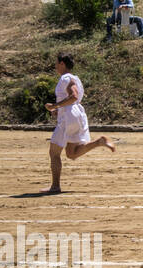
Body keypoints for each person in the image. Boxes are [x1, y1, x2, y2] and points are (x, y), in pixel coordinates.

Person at [44, 52, 115, 194]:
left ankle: (55, 186)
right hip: (76, 115)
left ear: (62, 63)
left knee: (54, 152)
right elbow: (74, 99)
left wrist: (55, 106)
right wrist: (59, 108)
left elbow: (73, 96)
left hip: (69, 117)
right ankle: (99, 142)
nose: (55, 66)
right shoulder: (75, 78)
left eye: (57, 63)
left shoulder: (66, 78)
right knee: (71, 153)